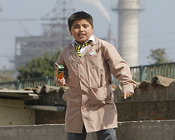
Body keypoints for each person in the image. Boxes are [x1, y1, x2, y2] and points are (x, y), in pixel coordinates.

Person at [55, 11, 136, 140]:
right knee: (74, 137)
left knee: (107, 135)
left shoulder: (103, 47)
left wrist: (127, 85)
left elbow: (120, 66)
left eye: (85, 26)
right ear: (70, 31)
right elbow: (60, 67)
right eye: (76, 27)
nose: (81, 30)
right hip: (76, 104)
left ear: (92, 28)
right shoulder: (66, 52)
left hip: (101, 102)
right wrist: (60, 78)